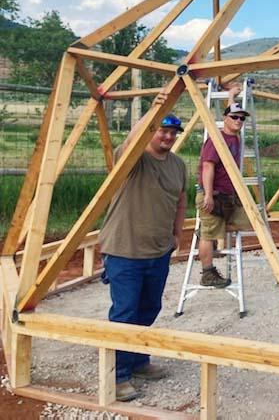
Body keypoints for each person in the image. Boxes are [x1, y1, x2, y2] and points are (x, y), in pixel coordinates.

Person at [98, 97, 187, 402]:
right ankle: (118, 375)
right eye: (162, 131)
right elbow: (133, 140)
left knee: (150, 308)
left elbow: (181, 198)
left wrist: (178, 233)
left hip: (158, 251)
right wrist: (153, 110)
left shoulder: (177, 164)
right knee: (124, 312)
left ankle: (137, 361)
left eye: (173, 133)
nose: (168, 137)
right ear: (151, 131)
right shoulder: (134, 158)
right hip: (125, 249)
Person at [196, 85, 253, 288]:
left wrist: (230, 97)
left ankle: (206, 232)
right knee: (209, 234)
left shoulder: (234, 136)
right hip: (214, 195)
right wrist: (208, 195)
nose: (238, 120)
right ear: (225, 119)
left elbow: (232, 111)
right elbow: (208, 167)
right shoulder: (217, 140)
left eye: (242, 118)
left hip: (227, 196)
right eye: (235, 117)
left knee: (248, 221)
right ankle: (207, 273)